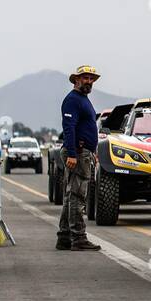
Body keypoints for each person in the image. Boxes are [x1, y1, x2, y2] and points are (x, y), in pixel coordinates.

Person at [58, 65, 102, 252]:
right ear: (76, 79)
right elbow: (69, 128)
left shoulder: (83, 100)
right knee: (77, 196)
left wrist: (94, 150)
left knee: (70, 196)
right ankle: (79, 238)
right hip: (77, 152)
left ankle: (65, 237)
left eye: (91, 79)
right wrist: (73, 154)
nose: (89, 82)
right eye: (85, 78)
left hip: (83, 151)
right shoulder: (72, 100)